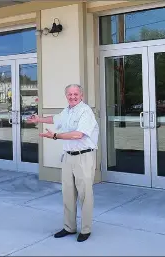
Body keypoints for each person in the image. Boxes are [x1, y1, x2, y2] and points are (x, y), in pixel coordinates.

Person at [26, 84, 99, 242]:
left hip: (84, 157)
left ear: (82, 95)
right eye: (69, 94)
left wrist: (55, 136)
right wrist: (39, 119)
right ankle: (69, 227)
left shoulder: (85, 111)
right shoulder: (68, 110)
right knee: (68, 194)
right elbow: (55, 119)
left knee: (85, 195)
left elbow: (78, 134)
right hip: (68, 157)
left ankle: (86, 229)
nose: (72, 96)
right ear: (66, 96)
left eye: (75, 94)